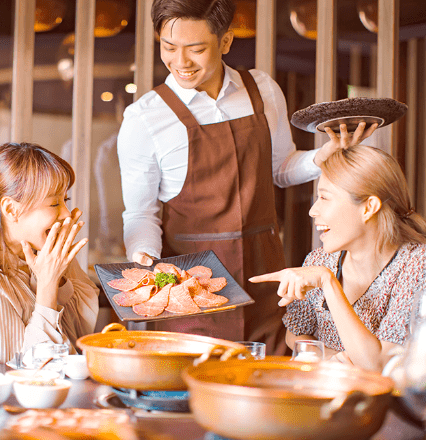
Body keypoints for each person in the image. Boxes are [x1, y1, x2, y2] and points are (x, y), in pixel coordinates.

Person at [116, 0, 376, 349]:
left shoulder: (263, 91)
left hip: (268, 282)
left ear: (225, 42)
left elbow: (281, 171)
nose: (181, 62)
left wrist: (324, 155)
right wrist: (145, 256)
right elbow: (140, 213)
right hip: (191, 294)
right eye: (169, 48)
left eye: (195, 49)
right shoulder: (144, 118)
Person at [250, 145, 426, 371]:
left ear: (368, 207)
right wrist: (325, 357)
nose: (313, 210)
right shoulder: (318, 260)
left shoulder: (420, 262)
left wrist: (328, 282)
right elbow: (295, 333)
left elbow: (379, 365)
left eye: (324, 197)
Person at [0, 143, 99, 364]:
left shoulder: (47, 252)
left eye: (65, 201)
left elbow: (79, 337)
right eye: (54, 203)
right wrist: (47, 286)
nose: (67, 213)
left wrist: (58, 277)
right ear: (11, 210)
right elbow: (28, 369)